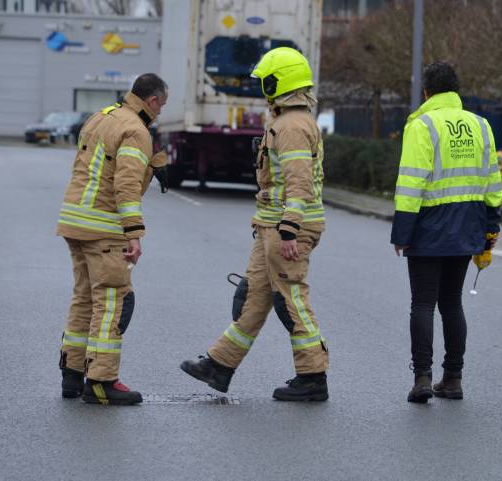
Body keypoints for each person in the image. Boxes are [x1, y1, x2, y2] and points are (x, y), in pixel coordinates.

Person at [180, 47, 329, 401]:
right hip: (272, 226)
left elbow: (298, 182)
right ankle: (220, 365)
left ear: (280, 81)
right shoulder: (287, 121)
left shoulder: (291, 126)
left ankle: (313, 376)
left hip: (285, 228)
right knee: (254, 300)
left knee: (291, 301)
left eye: (265, 80)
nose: (262, 86)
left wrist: (290, 228)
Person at [391, 61, 502, 404]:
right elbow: (492, 182)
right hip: (468, 223)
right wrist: (491, 227)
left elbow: (412, 181)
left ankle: (422, 378)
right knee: (451, 303)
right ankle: (452, 379)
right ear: (456, 90)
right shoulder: (480, 125)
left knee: (422, 303)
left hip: (428, 225)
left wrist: (402, 231)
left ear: (426, 91)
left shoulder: (422, 125)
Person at [56, 74, 169, 406]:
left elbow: (95, 168)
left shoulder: (101, 116)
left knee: (83, 299)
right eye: (161, 104)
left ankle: (72, 375)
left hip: (75, 221)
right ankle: (102, 381)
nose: (161, 112)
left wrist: (152, 163)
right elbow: (126, 185)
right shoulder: (136, 130)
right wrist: (134, 233)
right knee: (113, 302)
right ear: (151, 100)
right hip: (104, 228)